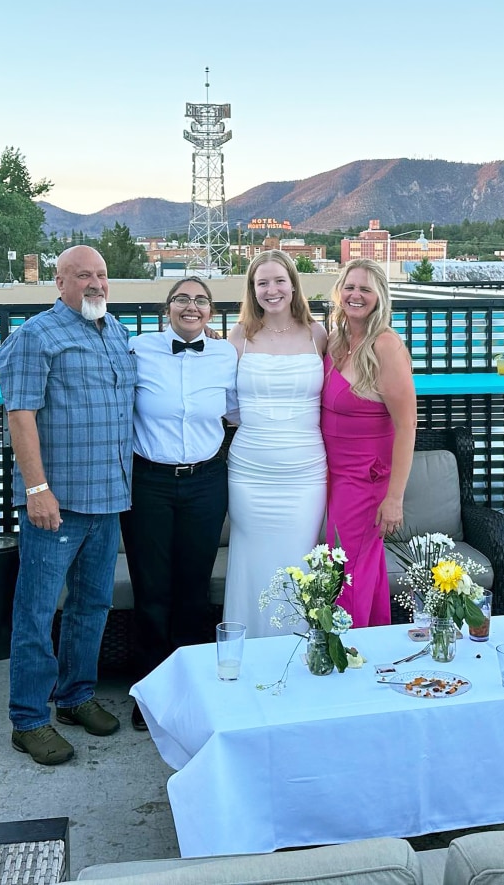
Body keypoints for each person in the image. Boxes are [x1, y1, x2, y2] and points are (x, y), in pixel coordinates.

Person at [0, 245, 136, 765]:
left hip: (108, 498)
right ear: (59, 283)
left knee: (92, 606)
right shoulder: (36, 336)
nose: (95, 283)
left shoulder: (116, 332)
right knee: (35, 611)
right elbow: (21, 415)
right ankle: (29, 719)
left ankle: (75, 696)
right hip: (56, 503)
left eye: (101, 274)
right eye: (83, 276)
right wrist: (37, 490)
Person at [121, 277, 237, 731]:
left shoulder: (226, 354)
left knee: (193, 589)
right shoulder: (138, 348)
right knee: (151, 590)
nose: (192, 306)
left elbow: (236, 412)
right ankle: (151, 694)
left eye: (201, 300)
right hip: (148, 481)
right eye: (182, 299)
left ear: (211, 311)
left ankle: (191, 692)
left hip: (206, 481)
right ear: (166, 308)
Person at [223, 250, 327, 638]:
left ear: (293, 285)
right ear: (252, 290)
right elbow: (224, 401)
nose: (272, 290)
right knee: (252, 564)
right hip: (251, 474)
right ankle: (249, 653)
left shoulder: (318, 334)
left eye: (279, 280)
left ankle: (300, 653)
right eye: (262, 282)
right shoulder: (240, 337)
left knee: (300, 563)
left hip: (306, 476)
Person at [321, 258, 417, 627]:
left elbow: (407, 425)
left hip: (366, 479)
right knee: (360, 565)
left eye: (365, 288)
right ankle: (375, 645)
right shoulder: (336, 340)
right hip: (333, 474)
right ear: (338, 292)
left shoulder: (385, 345)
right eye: (349, 287)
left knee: (346, 569)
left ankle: (346, 650)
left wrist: (394, 498)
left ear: (380, 296)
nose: (355, 295)